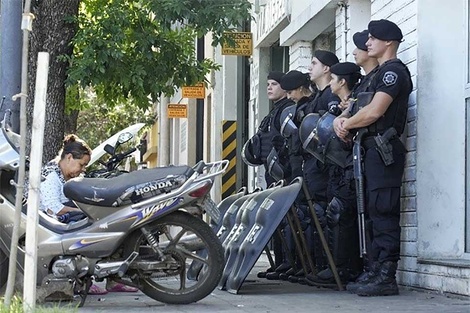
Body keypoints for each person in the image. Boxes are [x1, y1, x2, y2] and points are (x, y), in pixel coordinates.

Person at [334, 19, 413, 296]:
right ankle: (373, 270)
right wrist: (341, 121)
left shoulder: (393, 73)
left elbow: (374, 112)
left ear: (388, 42)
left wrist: (348, 122)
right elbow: (354, 107)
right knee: (369, 212)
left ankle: (386, 275)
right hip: (367, 151)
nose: (367, 43)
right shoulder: (374, 75)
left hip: (383, 151)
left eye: (373, 38)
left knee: (383, 212)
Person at [33, 134, 138, 294]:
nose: (82, 170)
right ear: (69, 157)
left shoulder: (64, 175)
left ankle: (113, 278)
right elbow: (55, 208)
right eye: (81, 164)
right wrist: (86, 212)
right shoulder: (51, 175)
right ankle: (83, 281)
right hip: (48, 224)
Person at [305, 62, 363, 287]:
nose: (329, 83)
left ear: (342, 82)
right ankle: (335, 267)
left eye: (333, 79)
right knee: (335, 214)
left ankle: (344, 269)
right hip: (336, 168)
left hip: (350, 166)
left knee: (342, 214)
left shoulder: (355, 101)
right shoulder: (343, 106)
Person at [241, 71, 294, 277]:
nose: (269, 88)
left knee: (288, 218)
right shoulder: (273, 113)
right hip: (273, 173)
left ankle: (290, 263)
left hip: (285, 173)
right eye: (268, 84)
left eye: (274, 84)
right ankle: (281, 262)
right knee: (277, 218)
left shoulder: (287, 109)